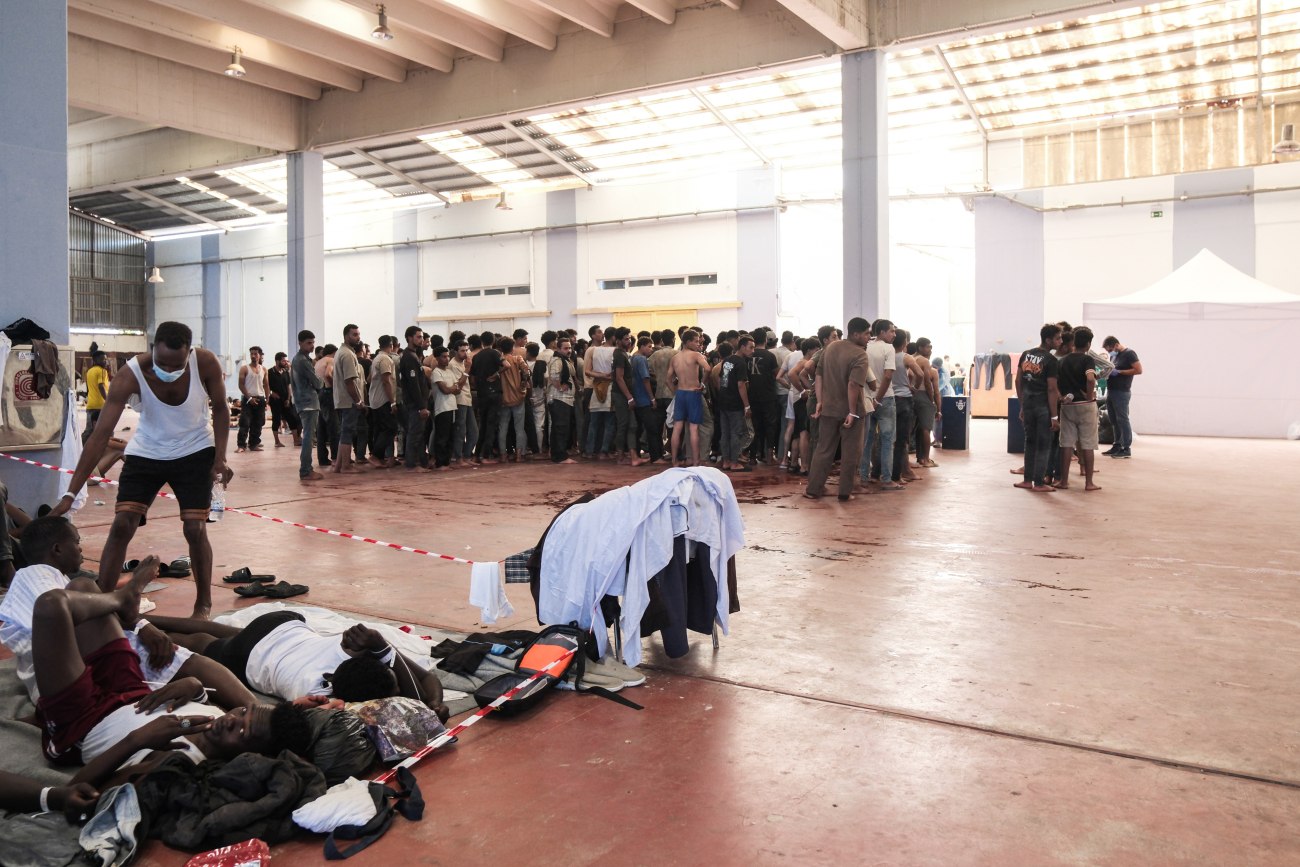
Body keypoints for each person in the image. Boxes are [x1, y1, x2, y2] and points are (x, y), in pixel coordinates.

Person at [28, 575, 309, 782]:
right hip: (132, 691)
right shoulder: (220, 724)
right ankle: (123, 605)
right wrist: (196, 690)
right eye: (243, 712)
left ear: (253, 756)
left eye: (242, 731)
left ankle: (120, 601)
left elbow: (79, 789)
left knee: (51, 606)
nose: (231, 719)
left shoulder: (179, 763)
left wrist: (137, 740)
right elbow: (210, 705)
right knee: (83, 586)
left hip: (85, 722)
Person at [51, 321, 230, 619]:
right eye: (162, 363)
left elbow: (222, 408)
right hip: (147, 450)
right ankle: (104, 602)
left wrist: (220, 458)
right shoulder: (130, 375)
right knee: (122, 524)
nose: (168, 370)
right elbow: (99, 436)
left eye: (176, 365)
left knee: (194, 528)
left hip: (196, 449)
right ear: (152, 349)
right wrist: (70, 494)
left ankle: (203, 605)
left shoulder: (205, 363)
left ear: (189, 353)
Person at [0, 518, 255, 715]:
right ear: (57, 549)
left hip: (79, 661)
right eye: (76, 542)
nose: (81, 548)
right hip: (74, 674)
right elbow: (61, 613)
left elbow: (90, 614)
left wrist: (142, 624)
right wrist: (136, 614)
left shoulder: (52, 579)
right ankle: (257, 711)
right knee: (189, 659)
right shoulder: (33, 575)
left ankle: (243, 656)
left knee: (181, 637)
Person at [149, 612, 448, 720]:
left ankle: (146, 620)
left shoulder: (358, 649)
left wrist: (433, 702)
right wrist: (431, 703)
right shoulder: (322, 697)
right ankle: (144, 627)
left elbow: (424, 682)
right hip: (252, 654)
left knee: (216, 631)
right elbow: (422, 688)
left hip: (282, 624)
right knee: (200, 643)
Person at [805, 318, 871, 501]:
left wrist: (820, 401)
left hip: (828, 408)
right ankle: (844, 492)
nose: (869, 337)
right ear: (856, 334)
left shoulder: (831, 348)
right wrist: (852, 411)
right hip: (851, 411)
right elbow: (853, 385)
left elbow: (818, 375)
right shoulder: (860, 355)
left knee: (823, 449)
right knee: (851, 453)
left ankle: (813, 489)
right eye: (867, 333)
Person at [1014, 323, 1063, 493]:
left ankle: (1027, 481)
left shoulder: (1026, 354)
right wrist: (1054, 417)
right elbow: (1051, 389)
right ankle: (1039, 483)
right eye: (1058, 338)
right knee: (1043, 445)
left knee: (1030, 442)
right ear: (1048, 340)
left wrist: (1022, 405)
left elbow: (1018, 381)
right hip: (1043, 408)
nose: (1061, 341)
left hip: (1028, 405)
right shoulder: (1051, 360)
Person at [1056, 327, 1102, 492]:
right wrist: (1089, 396)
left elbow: (1054, 383)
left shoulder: (1062, 361)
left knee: (1066, 444)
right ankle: (1089, 483)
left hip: (1067, 406)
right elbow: (1090, 378)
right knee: (1088, 444)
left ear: (1074, 343)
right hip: (1085, 406)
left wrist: (1061, 397)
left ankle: (1064, 481)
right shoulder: (1087, 360)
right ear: (1088, 344)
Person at [862, 319, 901, 491]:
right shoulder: (888, 348)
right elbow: (888, 376)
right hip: (884, 399)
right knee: (887, 440)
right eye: (891, 331)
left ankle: (864, 477)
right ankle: (886, 479)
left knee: (866, 440)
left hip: (866, 398)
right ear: (882, 332)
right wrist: (878, 399)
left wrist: (872, 398)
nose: (894, 334)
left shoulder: (866, 347)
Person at [668, 330, 712, 467]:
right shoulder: (696, 355)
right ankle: (696, 461)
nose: (698, 344)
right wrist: (702, 384)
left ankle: (674, 461)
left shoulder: (675, 358)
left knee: (677, 428)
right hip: (693, 393)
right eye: (696, 341)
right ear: (687, 342)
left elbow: (668, 379)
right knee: (693, 428)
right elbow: (708, 369)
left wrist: (675, 391)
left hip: (681, 393)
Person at [331, 325, 366, 474]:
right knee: (348, 432)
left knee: (345, 431)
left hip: (344, 399)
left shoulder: (343, 352)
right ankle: (346, 466)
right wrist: (358, 400)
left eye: (358, 334)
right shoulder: (347, 354)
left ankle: (339, 465)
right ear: (346, 336)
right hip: (349, 400)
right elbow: (349, 381)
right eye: (354, 335)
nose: (358, 337)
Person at [291, 330, 324, 483]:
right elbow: (317, 383)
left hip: (302, 402)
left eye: (313, 342)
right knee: (309, 438)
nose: (312, 346)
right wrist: (321, 379)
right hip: (308, 403)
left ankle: (306, 469)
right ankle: (306, 470)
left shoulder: (297, 359)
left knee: (308, 437)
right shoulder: (303, 361)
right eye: (308, 343)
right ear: (300, 343)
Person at [1101, 335, 1141, 458]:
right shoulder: (1114, 356)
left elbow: (1138, 370)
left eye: (1110, 349)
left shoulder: (1129, 354)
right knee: (1114, 420)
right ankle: (1117, 445)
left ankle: (1126, 447)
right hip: (1111, 390)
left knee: (1122, 419)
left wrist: (1120, 372)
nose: (1109, 352)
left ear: (1116, 345)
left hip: (1122, 391)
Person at [747, 328, 781, 465]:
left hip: (751, 396)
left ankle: (752, 456)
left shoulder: (748, 356)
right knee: (770, 426)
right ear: (766, 340)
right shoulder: (770, 356)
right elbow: (777, 374)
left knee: (754, 426)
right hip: (768, 395)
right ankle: (769, 456)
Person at [718, 339, 752, 472]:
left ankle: (726, 461)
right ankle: (734, 462)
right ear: (742, 347)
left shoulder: (727, 360)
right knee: (736, 433)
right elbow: (741, 384)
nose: (753, 351)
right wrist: (747, 405)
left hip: (723, 401)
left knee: (725, 433)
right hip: (735, 403)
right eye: (750, 347)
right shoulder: (741, 363)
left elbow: (722, 380)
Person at [399, 326, 430, 470]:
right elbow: (413, 384)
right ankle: (411, 464)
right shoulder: (409, 357)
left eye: (422, 337)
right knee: (414, 434)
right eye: (418, 337)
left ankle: (422, 462)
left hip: (418, 402)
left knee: (419, 433)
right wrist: (421, 406)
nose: (421, 340)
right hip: (415, 403)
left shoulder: (413, 355)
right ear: (409, 338)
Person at [470, 331, 504, 464]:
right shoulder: (495, 353)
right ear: (493, 341)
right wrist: (496, 374)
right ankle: (486, 456)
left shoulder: (476, 357)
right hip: (494, 393)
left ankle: (476, 455)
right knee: (491, 425)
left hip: (481, 394)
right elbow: (506, 365)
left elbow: (472, 378)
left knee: (482, 425)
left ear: (481, 342)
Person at [496, 337, 530, 462]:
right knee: (519, 428)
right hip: (518, 397)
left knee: (503, 427)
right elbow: (527, 372)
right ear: (512, 347)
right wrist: (523, 383)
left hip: (503, 398)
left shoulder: (499, 361)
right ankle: (519, 455)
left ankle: (503, 455)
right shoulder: (517, 359)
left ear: (500, 348)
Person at [630, 336, 663, 464]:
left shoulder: (632, 358)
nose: (651, 349)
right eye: (649, 346)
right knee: (652, 428)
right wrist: (652, 398)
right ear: (642, 346)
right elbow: (645, 379)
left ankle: (637, 454)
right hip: (643, 398)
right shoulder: (641, 359)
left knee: (638, 428)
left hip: (636, 397)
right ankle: (656, 457)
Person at [368, 335, 400, 468]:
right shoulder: (385, 359)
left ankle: (378, 457)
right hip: (383, 399)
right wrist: (392, 402)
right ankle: (375, 455)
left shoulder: (376, 358)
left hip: (375, 399)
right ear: (391, 345)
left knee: (381, 429)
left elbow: (370, 379)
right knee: (391, 428)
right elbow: (386, 381)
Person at [429, 345, 462, 470]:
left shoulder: (449, 372)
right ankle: (440, 463)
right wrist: (452, 388)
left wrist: (452, 388)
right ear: (437, 358)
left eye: (448, 356)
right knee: (442, 437)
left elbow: (457, 389)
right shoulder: (436, 372)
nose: (447, 359)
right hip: (442, 408)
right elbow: (445, 390)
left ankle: (446, 462)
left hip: (452, 407)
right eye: (444, 357)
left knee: (451, 436)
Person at [547, 338, 578, 464]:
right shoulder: (557, 360)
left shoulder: (564, 360)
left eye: (570, 348)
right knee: (561, 428)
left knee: (558, 428)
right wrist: (560, 387)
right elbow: (554, 375)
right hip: (559, 398)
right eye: (565, 348)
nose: (569, 350)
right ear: (558, 349)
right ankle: (560, 456)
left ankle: (557, 454)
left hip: (564, 399)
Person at [911, 337, 940, 468]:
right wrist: (931, 400)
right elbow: (928, 383)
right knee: (925, 429)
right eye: (928, 346)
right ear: (920, 347)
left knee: (916, 429)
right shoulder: (924, 361)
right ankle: (926, 459)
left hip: (911, 395)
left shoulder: (910, 358)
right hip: (923, 395)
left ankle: (919, 458)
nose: (930, 349)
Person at [449, 340, 476, 466]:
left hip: (467, 399)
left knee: (474, 431)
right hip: (459, 400)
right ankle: (459, 457)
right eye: (462, 351)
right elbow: (458, 385)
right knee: (460, 430)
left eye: (466, 350)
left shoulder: (464, 363)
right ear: (456, 351)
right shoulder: (453, 364)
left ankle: (467, 455)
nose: (465, 353)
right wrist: (467, 369)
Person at [266, 351, 300, 449]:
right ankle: (277, 442)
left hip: (286, 400)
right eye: (283, 361)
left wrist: (288, 398)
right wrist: (271, 393)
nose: (285, 362)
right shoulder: (269, 372)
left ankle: (296, 440)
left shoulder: (285, 372)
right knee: (276, 420)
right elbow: (265, 385)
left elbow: (288, 386)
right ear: (277, 361)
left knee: (292, 418)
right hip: (275, 401)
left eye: (286, 361)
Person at [83, 351, 111, 443]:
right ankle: (107, 448)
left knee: (89, 430)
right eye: (103, 359)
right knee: (108, 430)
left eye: (106, 359)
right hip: (101, 406)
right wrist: (108, 401)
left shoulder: (89, 371)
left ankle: (81, 447)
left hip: (91, 405)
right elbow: (101, 386)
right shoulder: (102, 371)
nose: (105, 361)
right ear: (95, 360)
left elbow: (90, 388)